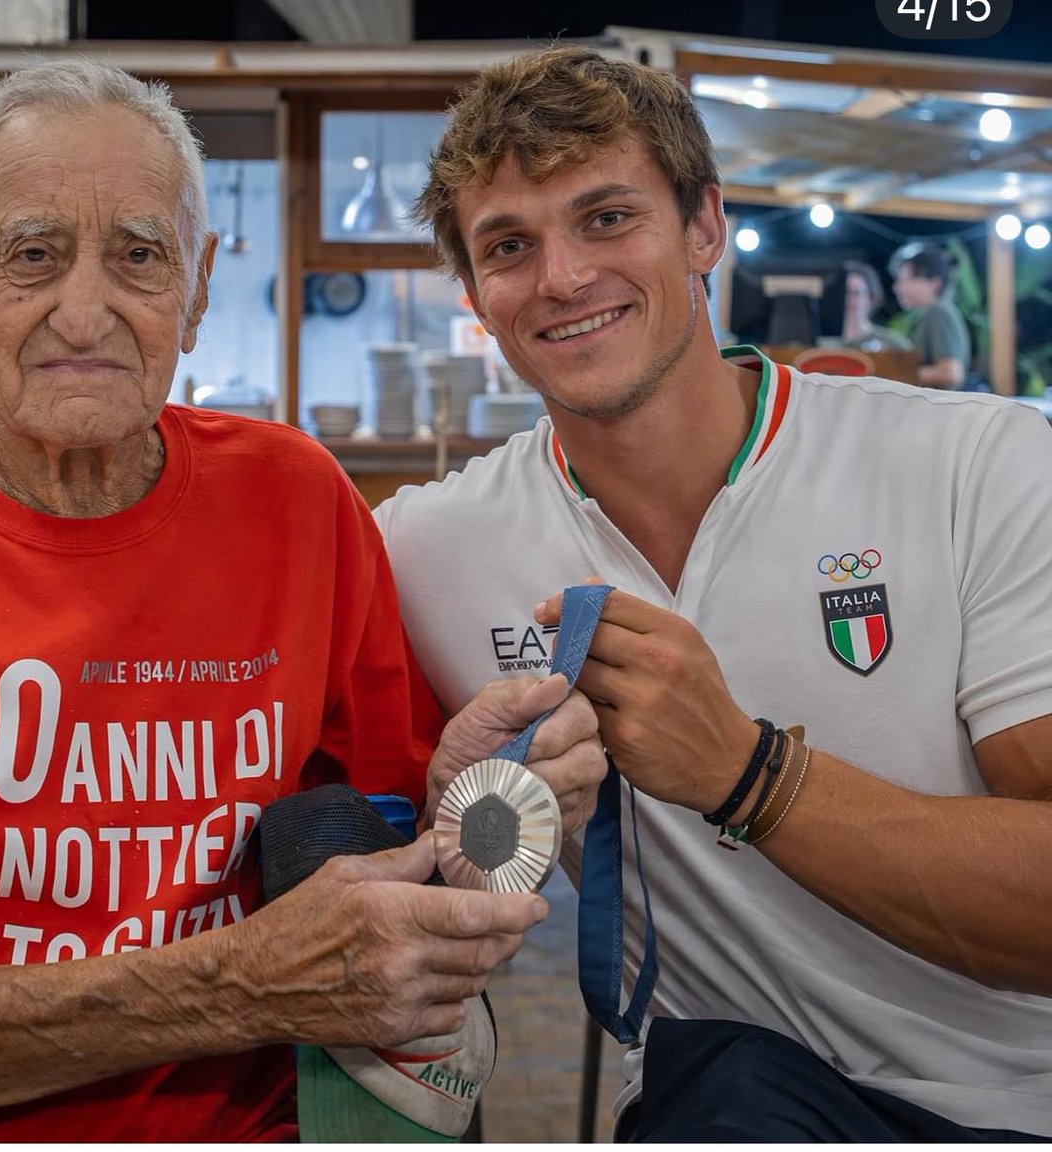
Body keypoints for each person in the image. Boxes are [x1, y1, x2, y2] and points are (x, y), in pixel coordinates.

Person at [0, 58, 606, 1141]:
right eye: (33, 254)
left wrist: (468, 796)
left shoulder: (294, 500)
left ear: (198, 288)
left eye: (138, 257)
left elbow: (390, 852)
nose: (84, 312)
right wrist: (229, 985)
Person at [375, 45, 1052, 1142]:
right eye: (510, 245)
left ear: (703, 226)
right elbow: (388, 827)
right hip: (730, 1090)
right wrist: (484, 815)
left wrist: (748, 774)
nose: (560, 277)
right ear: (474, 296)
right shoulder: (426, 546)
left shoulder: (981, 464)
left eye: (605, 218)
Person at [891, 244, 973, 388]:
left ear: (933, 283)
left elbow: (951, 374)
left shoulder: (938, 312)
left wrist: (892, 373)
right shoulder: (932, 313)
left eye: (904, 280)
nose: (897, 288)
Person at [836, 259, 911, 353]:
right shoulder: (823, 344)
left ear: (871, 298)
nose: (849, 299)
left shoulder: (892, 343)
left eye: (856, 293)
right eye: (843, 293)